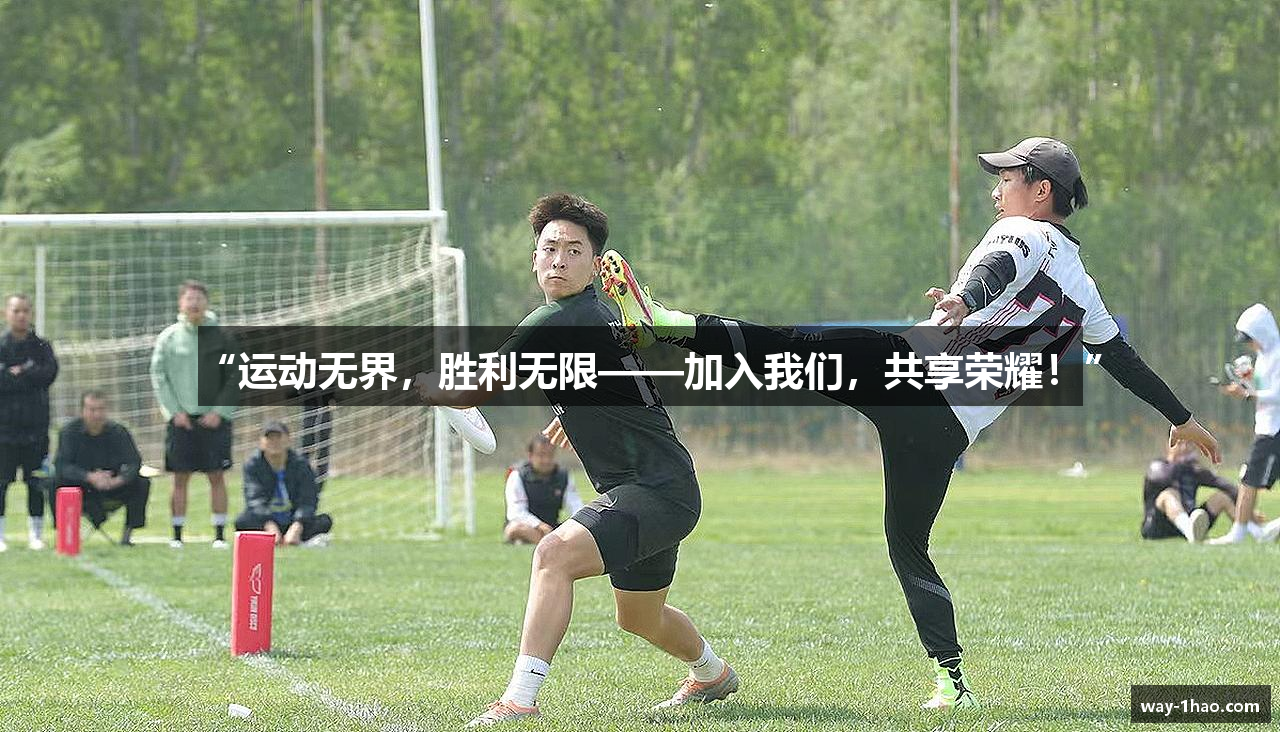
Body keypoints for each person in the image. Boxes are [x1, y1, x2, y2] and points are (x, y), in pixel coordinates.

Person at [593, 137, 1220, 710]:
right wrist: (1184, 418)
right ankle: (952, 681)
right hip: (945, 432)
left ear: (1041, 191)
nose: (996, 190)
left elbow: (998, 267)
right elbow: (1123, 361)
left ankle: (668, 323)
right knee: (908, 545)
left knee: (793, 346)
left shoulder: (1023, 231)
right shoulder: (1085, 290)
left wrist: (963, 300)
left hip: (914, 377)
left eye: (1006, 178)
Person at [417, 193, 737, 726]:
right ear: (535, 259)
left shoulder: (557, 318)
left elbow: (478, 389)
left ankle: (519, 700)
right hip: (668, 489)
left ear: (594, 265)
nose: (559, 260)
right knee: (639, 617)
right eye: (550, 249)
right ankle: (711, 673)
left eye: (573, 250)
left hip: (654, 490)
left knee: (553, 555)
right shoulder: (595, 315)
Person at [149, 280, 237, 549]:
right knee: (179, 477)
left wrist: (219, 411)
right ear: (181, 303)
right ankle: (177, 535)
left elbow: (235, 375)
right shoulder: (169, 337)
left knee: (217, 475)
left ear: (206, 302)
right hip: (181, 419)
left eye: (198, 298)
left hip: (214, 419)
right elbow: (159, 376)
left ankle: (219, 535)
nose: (194, 303)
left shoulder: (223, 337)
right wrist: (174, 411)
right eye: (189, 299)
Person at [1211, 303, 1280, 544]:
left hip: (1273, 430)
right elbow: (1262, 391)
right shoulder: (1263, 357)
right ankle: (1251, 530)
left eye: (1251, 339)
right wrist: (1244, 386)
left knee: (1249, 480)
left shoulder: (1277, 355)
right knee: (1249, 477)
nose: (1250, 345)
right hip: (1266, 426)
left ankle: (1239, 532)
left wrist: (1249, 394)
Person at [0, 293, 59, 552]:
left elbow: (48, 374)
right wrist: (23, 375)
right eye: (16, 311)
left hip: (36, 430)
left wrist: (19, 373)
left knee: (36, 482)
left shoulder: (42, 346)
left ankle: (36, 534)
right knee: (1, 483)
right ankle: (1, 536)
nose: (21, 315)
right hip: (4, 430)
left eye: (25, 310)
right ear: (6, 313)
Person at [54, 391, 150, 546]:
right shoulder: (69, 432)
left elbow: (134, 462)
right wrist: (89, 476)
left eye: (101, 409)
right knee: (54, 483)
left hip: (112, 486)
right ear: (82, 411)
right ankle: (66, 536)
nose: (97, 415)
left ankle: (127, 536)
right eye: (92, 410)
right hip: (81, 487)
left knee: (141, 482)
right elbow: (62, 465)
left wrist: (118, 480)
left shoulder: (118, 432)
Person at [234, 420, 333, 546]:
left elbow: (308, 500)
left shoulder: (301, 465)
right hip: (266, 521)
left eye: (278, 437)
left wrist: (298, 525)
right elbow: (255, 500)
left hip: (293, 520)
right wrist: (269, 525)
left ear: (288, 440)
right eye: (270, 438)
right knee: (242, 521)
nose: (274, 442)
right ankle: (275, 537)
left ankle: (295, 538)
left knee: (324, 521)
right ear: (261, 442)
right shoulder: (253, 465)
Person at [1141, 441, 1250, 543]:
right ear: (1169, 446)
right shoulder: (1158, 466)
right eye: (1180, 444)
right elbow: (1162, 476)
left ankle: (1253, 530)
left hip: (1190, 522)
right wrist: (1183, 464)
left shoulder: (1192, 470)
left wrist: (1246, 506)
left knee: (1220, 498)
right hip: (1157, 527)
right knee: (1168, 494)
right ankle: (1190, 532)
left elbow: (1224, 485)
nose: (1184, 448)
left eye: (1188, 444)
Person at [503, 434, 584, 545]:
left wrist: (579, 525)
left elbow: (576, 505)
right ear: (530, 455)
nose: (546, 460)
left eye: (550, 455)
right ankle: (554, 544)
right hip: (528, 526)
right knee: (515, 528)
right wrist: (539, 525)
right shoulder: (517, 475)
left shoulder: (563, 476)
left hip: (553, 527)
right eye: (541, 455)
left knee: (578, 530)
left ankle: (550, 542)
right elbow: (515, 512)